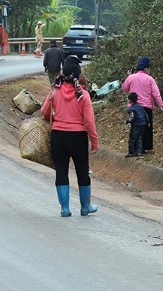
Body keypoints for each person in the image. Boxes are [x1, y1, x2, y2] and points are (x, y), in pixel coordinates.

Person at [41, 58, 99, 217]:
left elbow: (44, 112)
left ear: (63, 74)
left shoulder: (55, 90)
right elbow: (88, 122)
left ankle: (65, 209)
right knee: (82, 172)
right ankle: (85, 207)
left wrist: (57, 114)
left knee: (61, 172)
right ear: (78, 76)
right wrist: (94, 142)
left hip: (58, 136)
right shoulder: (84, 95)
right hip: (78, 137)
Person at [122, 56, 163, 152]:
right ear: (146, 68)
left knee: (135, 128)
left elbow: (124, 88)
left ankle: (135, 149)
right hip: (146, 107)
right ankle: (145, 147)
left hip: (134, 107)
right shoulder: (150, 79)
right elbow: (156, 93)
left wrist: (128, 76)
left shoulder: (131, 78)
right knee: (146, 127)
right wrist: (160, 105)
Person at [125, 91, 147, 158]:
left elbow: (132, 118)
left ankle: (131, 152)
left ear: (130, 100)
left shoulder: (131, 109)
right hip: (143, 124)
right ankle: (139, 152)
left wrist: (127, 121)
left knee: (132, 139)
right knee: (139, 138)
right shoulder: (140, 107)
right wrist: (147, 122)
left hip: (136, 125)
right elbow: (145, 114)